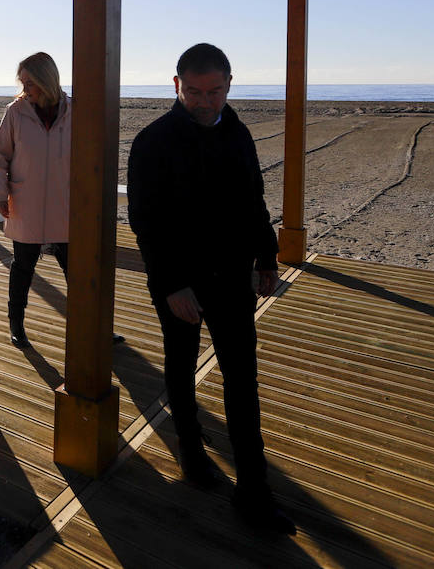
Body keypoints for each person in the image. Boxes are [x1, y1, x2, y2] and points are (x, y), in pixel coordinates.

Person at [126, 42, 295, 535]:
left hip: (232, 277)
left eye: (214, 92)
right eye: (195, 92)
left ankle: (254, 493)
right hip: (179, 281)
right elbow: (146, 223)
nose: (204, 102)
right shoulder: (152, 141)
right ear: (176, 86)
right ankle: (192, 454)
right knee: (180, 367)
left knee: (242, 382)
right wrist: (171, 285)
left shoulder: (238, 133)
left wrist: (266, 256)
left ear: (229, 86)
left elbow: (253, 201)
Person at [0, 52, 72, 349]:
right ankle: (16, 326)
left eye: (31, 83)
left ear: (47, 81)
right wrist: (0, 193)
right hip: (26, 202)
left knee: (76, 271)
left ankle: (93, 326)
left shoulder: (74, 111)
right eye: (22, 83)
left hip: (65, 205)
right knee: (23, 267)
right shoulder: (16, 112)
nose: (26, 90)